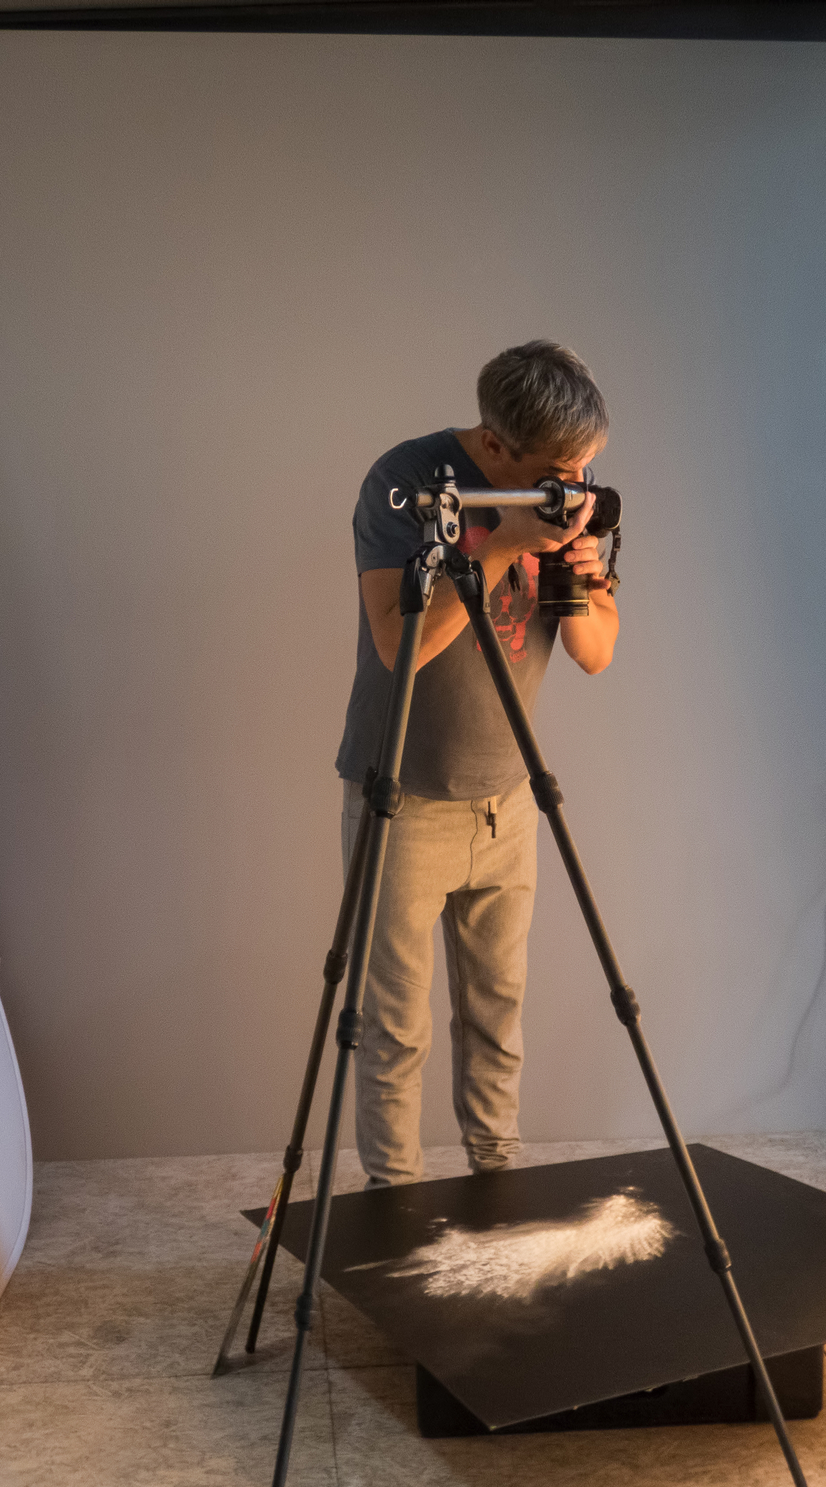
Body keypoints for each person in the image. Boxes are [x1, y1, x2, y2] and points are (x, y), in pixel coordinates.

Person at [334, 340, 620, 1186]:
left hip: (509, 800)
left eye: (586, 471)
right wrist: (499, 543)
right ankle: (395, 1205)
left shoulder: (563, 506)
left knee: (497, 1019)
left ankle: (496, 1190)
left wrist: (582, 574)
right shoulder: (404, 482)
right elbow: (400, 644)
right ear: (496, 450)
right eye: (556, 473)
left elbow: (595, 653)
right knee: (394, 1029)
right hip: (403, 799)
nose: (572, 491)